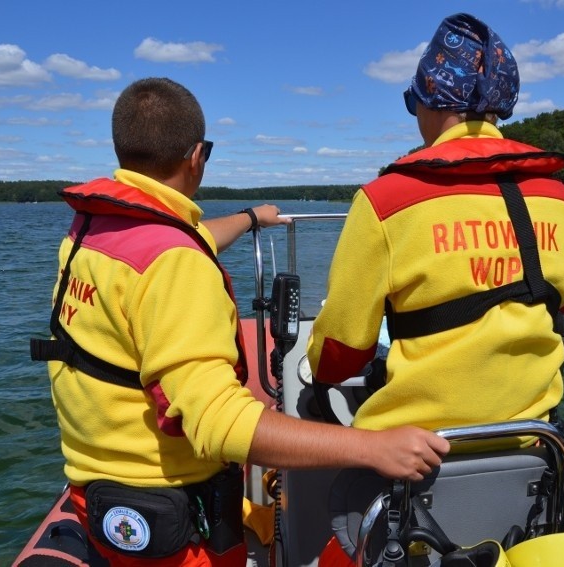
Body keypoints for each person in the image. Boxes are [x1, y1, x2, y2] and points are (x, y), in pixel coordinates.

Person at [31, 77, 449, 567]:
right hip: (170, 514)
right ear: (197, 157)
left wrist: (251, 217)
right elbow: (219, 424)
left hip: (99, 495)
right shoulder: (173, 262)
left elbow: (186, 240)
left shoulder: (94, 232)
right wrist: (372, 447)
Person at [306, 13, 564, 437]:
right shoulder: (562, 203)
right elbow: (555, 318)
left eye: (412, 101)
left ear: (431, 101)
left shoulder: (385, 201)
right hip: (533, 444)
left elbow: (336, 359)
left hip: (412, 461)